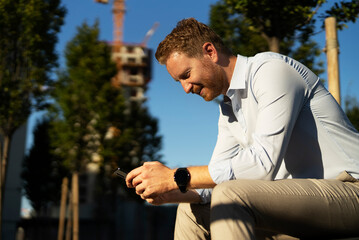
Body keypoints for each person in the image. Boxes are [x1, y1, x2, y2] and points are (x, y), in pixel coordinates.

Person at [125, 18, 359, 240]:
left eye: (186, 75)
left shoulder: (271, 71)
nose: (186, 88)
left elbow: (262, 164)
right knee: (190, 209)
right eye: (180, 82)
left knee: (232, 195)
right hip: (304, 205)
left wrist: (176, 176)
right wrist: (175, 190)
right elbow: (218, 178)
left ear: (210, 52)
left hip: (349, 191)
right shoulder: (228, 109)